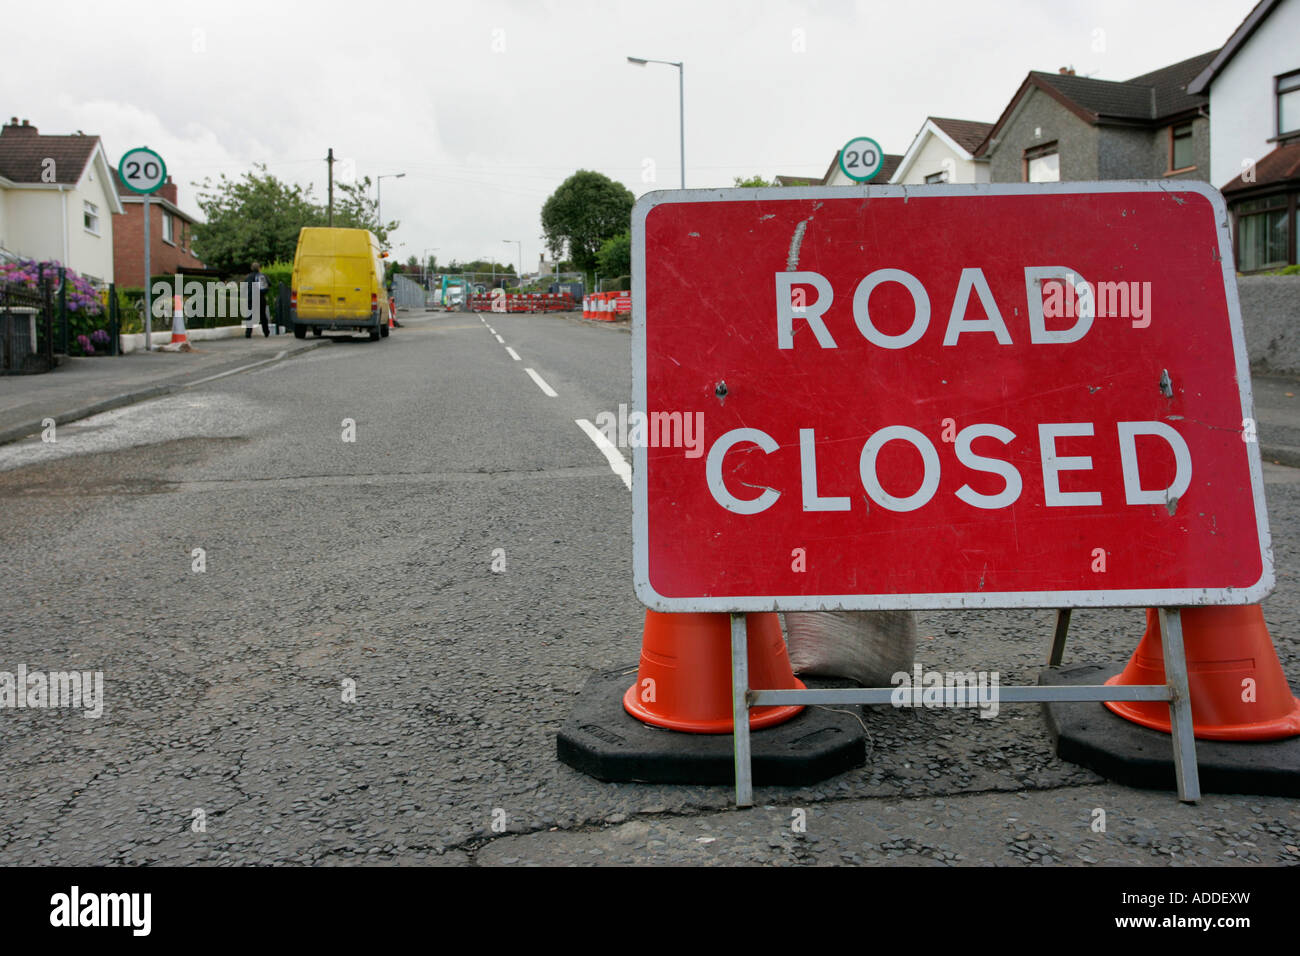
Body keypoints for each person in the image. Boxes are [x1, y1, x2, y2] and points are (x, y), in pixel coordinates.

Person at [244, 262, 271, 337]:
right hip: (261, 297)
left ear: (251, 268)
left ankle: (248, 333)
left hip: (251, 298)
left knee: (249, 316)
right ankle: (266, 332)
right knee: (263, 315)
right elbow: (269, 284)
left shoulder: (248, 277)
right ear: (259, 268)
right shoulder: (262, 276)